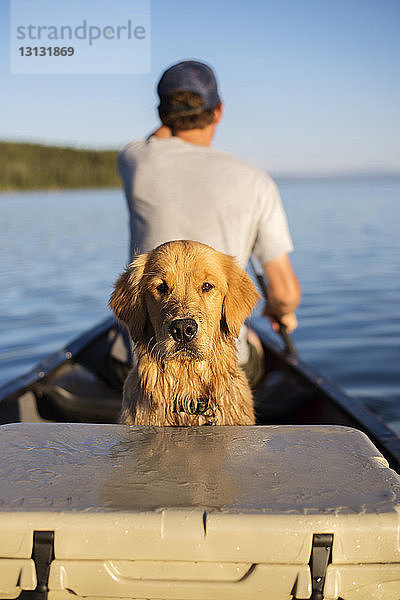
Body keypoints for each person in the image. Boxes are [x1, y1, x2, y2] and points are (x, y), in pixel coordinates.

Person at [118, 60, 301, 386]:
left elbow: (157, 137)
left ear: (162, 116)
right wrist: (281, 311)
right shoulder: (256, 181)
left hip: (144, 357)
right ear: (218, 112)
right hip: (221, 364)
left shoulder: (135, 159)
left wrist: (169, 117)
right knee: (249, 343)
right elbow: (284, 293)